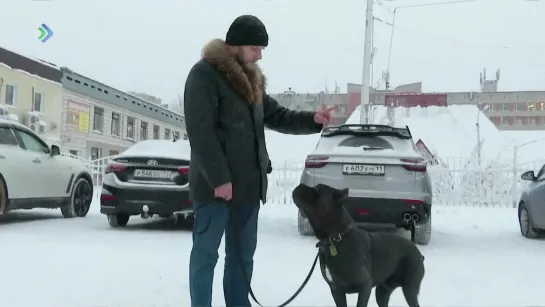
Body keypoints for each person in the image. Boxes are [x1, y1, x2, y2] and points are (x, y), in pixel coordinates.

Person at [183, 15, 336, 307]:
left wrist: (313, 120)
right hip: (215, 190)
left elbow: (277, 115)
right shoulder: (204, 75)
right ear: (236, 44)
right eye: (255, 48)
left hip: (248, 190)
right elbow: (200, 133)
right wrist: (219, 178)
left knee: (242, 259)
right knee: (205, 256)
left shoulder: (252, 80)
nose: (260, 54)